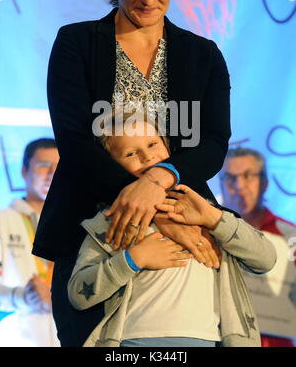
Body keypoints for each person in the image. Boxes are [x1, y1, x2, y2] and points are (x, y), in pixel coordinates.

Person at [33, 0, 232, 347]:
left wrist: (161, 181)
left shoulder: (203, 54)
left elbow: (213, 144)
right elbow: (74, 141)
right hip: (91, 232)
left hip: (183, 230)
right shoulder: (76, 43)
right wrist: (154, 208)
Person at [67, 117, 276, 347]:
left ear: (168, 146)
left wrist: (213, 218)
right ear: (112, 165)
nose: (147, 157)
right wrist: (133, 259)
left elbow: (266, 259)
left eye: (153, 144)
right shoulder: (109, 222)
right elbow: (79, 294)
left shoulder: (205, 212)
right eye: (130, 154)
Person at [219, 147, 296, 348]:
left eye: (248, 176)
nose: (239, 185)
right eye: (230, 178)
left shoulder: (290, 235)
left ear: (264, 183)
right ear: (221, 184)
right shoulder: (206, 234)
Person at [0, 138, 60, 347]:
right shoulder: (2, 221)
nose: (52, 173)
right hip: (18, 336)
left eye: (58, 167)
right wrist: (24, 296)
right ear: (24, 171)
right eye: (43, 165)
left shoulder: (75, 224)